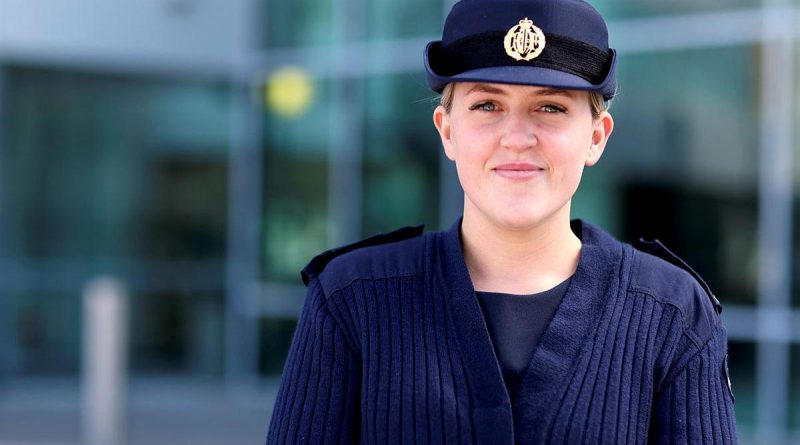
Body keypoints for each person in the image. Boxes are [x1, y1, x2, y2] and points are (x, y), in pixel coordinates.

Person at [266, 0, 738, 443]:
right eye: (487, 105)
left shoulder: (674, 315)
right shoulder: (350, 299)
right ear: (447, 131)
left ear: (596, 137)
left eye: (550, 107)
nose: (517, 138)